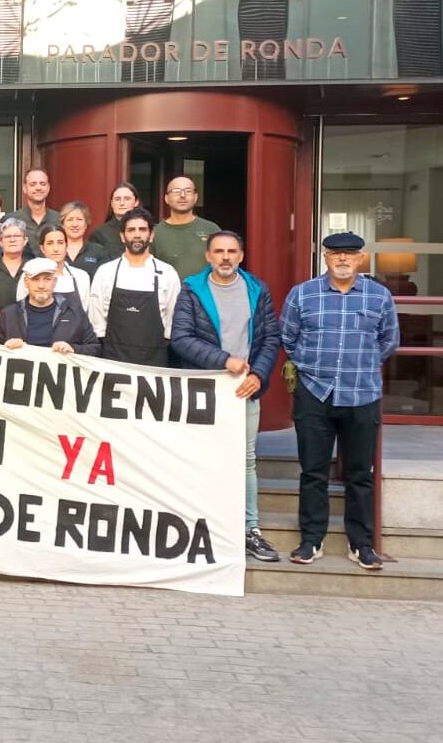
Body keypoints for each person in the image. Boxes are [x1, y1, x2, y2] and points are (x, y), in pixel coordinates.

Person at [280, 232, 400, 570]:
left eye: (350, 254)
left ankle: (361, 544)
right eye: (336, 254)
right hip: (315, 393)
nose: (343, 260)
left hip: (362, 394)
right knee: (313, 471)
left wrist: (359, 364)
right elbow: (287, 337)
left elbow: (389, 340)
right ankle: (311, 539)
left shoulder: (379, 296)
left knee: (360, 473)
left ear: (361, 259)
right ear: (325, 257)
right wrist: (310, 368)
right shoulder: (303, 294)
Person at [170, 232, 283, 563]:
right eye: (218, 251)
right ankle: (199, 527)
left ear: (242, 255)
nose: (225, 257)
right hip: (204, 388)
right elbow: (181, 337)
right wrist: (224, 361)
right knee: (199, 457)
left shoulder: (257, 289)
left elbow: (270, 338)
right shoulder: (192, 288)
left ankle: (250, 530)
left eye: (232, 251)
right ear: (207, 256)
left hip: (243, 390)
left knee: (245, 461)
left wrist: (258, 375)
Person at [87, 208, 181, 366]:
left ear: (151, 235)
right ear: (122, 236)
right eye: (131, 230)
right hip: (112, 359)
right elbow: (97, 321)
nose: (137, 235)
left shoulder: (167, 273)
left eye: (142, 230)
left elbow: (172, 322)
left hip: (154, 360)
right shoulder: (106, 272)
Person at [0, 258, 100, 355]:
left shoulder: (74, 312)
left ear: (54, 282)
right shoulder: (9, 314)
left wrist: (73, 349)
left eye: (47, 279)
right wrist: (7, 347)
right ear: (26, 282)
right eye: (35, 279)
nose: (41, 285)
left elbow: (95, 348)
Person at [153, 176, 220, 280]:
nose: (182, 195)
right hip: (169, 295)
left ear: (196, 197)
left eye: (188, 191)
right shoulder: (155, 233)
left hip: (204, 294)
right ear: (166, 198)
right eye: (176, 191)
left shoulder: (211, 229)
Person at [16, 224, 91, 309]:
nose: (56, 248)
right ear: (42, 248)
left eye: (60, 243)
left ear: (66, 246)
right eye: (50, 243)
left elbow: (84, 313)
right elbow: (21, 311)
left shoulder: (81, 277)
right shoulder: (30, 275)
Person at [60, 200, 109, 280]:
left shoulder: (99, 251)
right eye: (70, 219)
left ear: (86, 224)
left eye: (79, 219)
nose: (75, 224)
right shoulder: (54, 250)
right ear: (62, 224)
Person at [88, 181, 141, 252]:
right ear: (112, 203)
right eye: (117, 199)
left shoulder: (146, 230)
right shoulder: (99, 234)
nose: (122, 203)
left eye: (127, 199)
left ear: (136, 202)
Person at [11, 168, 56, 244]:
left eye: (43, 184)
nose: (38, 188)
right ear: (25, 188)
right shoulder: (11, 220)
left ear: (48, 188)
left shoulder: (60, 219)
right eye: (33, 184)